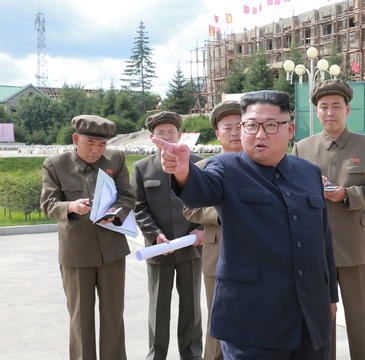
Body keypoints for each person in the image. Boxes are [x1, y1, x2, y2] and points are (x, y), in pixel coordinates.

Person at [153, 90, 339, 359]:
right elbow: (198, 190)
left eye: (271, 126)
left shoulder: (308, 172)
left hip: (309, 315)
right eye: (251, 125)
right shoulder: (227, 168)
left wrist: (330, 294)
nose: (260, 134)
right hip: (251, 321)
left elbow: (323, 240)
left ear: (290, 130)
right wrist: (182, 170)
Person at [292, 79, 365, 360]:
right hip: (315, 247)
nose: (330, 112)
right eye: (324, 107)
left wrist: (346, 194)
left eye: (336, 106)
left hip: (353, 245)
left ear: (347, 109)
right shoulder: (302, 148)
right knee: (321, 318)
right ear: (317, 112)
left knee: (362, 317)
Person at [41, 115, 134, 360]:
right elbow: (48, 204)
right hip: (77, 253)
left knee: (113, 315)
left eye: (102, 145)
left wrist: (116, 213)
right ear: (76, 139)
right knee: (81, 319)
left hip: (112, 251)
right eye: (90, 144)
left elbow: (127, 196)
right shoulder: (55, 164)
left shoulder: (116, 160)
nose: (96, 150)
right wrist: (70, 206)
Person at [132, 111, 204, 360]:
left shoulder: (198, 162)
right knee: (158, 308)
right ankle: (156, 355)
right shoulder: (142, 168)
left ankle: (192, 354)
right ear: (152, 137)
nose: (166, 136)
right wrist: (155, 235)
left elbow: (211, 201)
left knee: (192, 308)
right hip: (158, 248)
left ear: (180, 134)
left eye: (170, 132)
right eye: (160, 133)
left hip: (192, 247)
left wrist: (202, 229)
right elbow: (139, 207)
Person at [183, 100, 243, 360]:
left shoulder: (264, 165)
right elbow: (189, 209)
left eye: (241, 126)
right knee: (218, 322)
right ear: (218, 134)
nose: (235, 132)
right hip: (217, 252)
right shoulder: (202, 169)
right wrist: (221, 214)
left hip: (261, 255)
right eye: (227, 127)